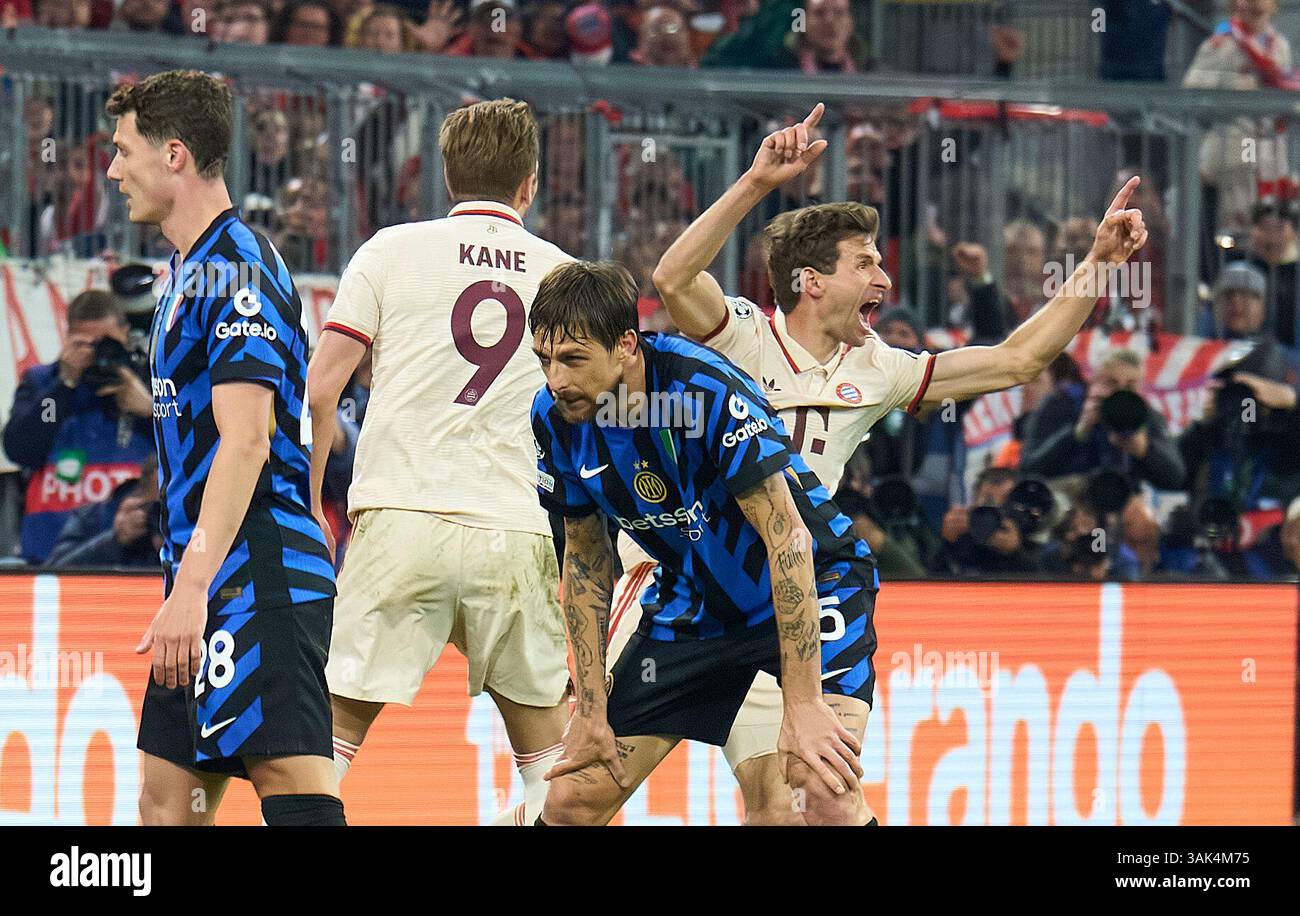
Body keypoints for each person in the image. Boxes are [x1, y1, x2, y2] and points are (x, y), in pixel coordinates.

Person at [647, 102, 1148, 821]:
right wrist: (757, 182)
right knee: (730, 799)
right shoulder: (741, 337)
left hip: (814, 590)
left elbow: (1018, 358)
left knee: (818, 797)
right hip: (719, 584)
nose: (885, 278)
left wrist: (1098, 264)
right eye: (867, 263)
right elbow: (671, 278)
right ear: (811, 282)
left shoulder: (877, 367)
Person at [530, 260, 877, 826]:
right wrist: (590, 710)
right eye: (544, 360)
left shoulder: (703, 390)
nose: (555, 380)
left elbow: (786, 537)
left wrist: (805, 701)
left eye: (572, 359)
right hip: (696, 606)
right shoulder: (556, 416)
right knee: (574, 799)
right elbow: (588, 564)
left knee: (821, 789)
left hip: (817, 582)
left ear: (625, 344)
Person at [305, 99, 573, 827]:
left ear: (447, 175)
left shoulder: (390, 250)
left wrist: (309, 507)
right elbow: (595, 420)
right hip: (515, 530)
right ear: (531, 184)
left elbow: (322, 389)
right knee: (553, 772)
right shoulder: (567, 274)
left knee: (321, 750)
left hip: (400, 521)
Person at [106, 69, 342, 825]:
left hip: (254, 576)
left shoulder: (236, 269)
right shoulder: (187, 272)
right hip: (205, 580)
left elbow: (246, 442)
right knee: (165, 805)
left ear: (174, 155)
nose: (113, 171)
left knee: (295, 794)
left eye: (123, 151)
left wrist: (193, 589)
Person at [1, 290, 153, 564]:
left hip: (134, 554)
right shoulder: (44, 383)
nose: (97, 354)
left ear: (126, 333)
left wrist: (150, 410)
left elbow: (187, 449)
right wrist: (64, 387)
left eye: (108, 342)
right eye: (86, 344)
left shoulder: (150, 381)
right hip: (51, 552)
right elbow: (22, 449)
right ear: (68, 337)